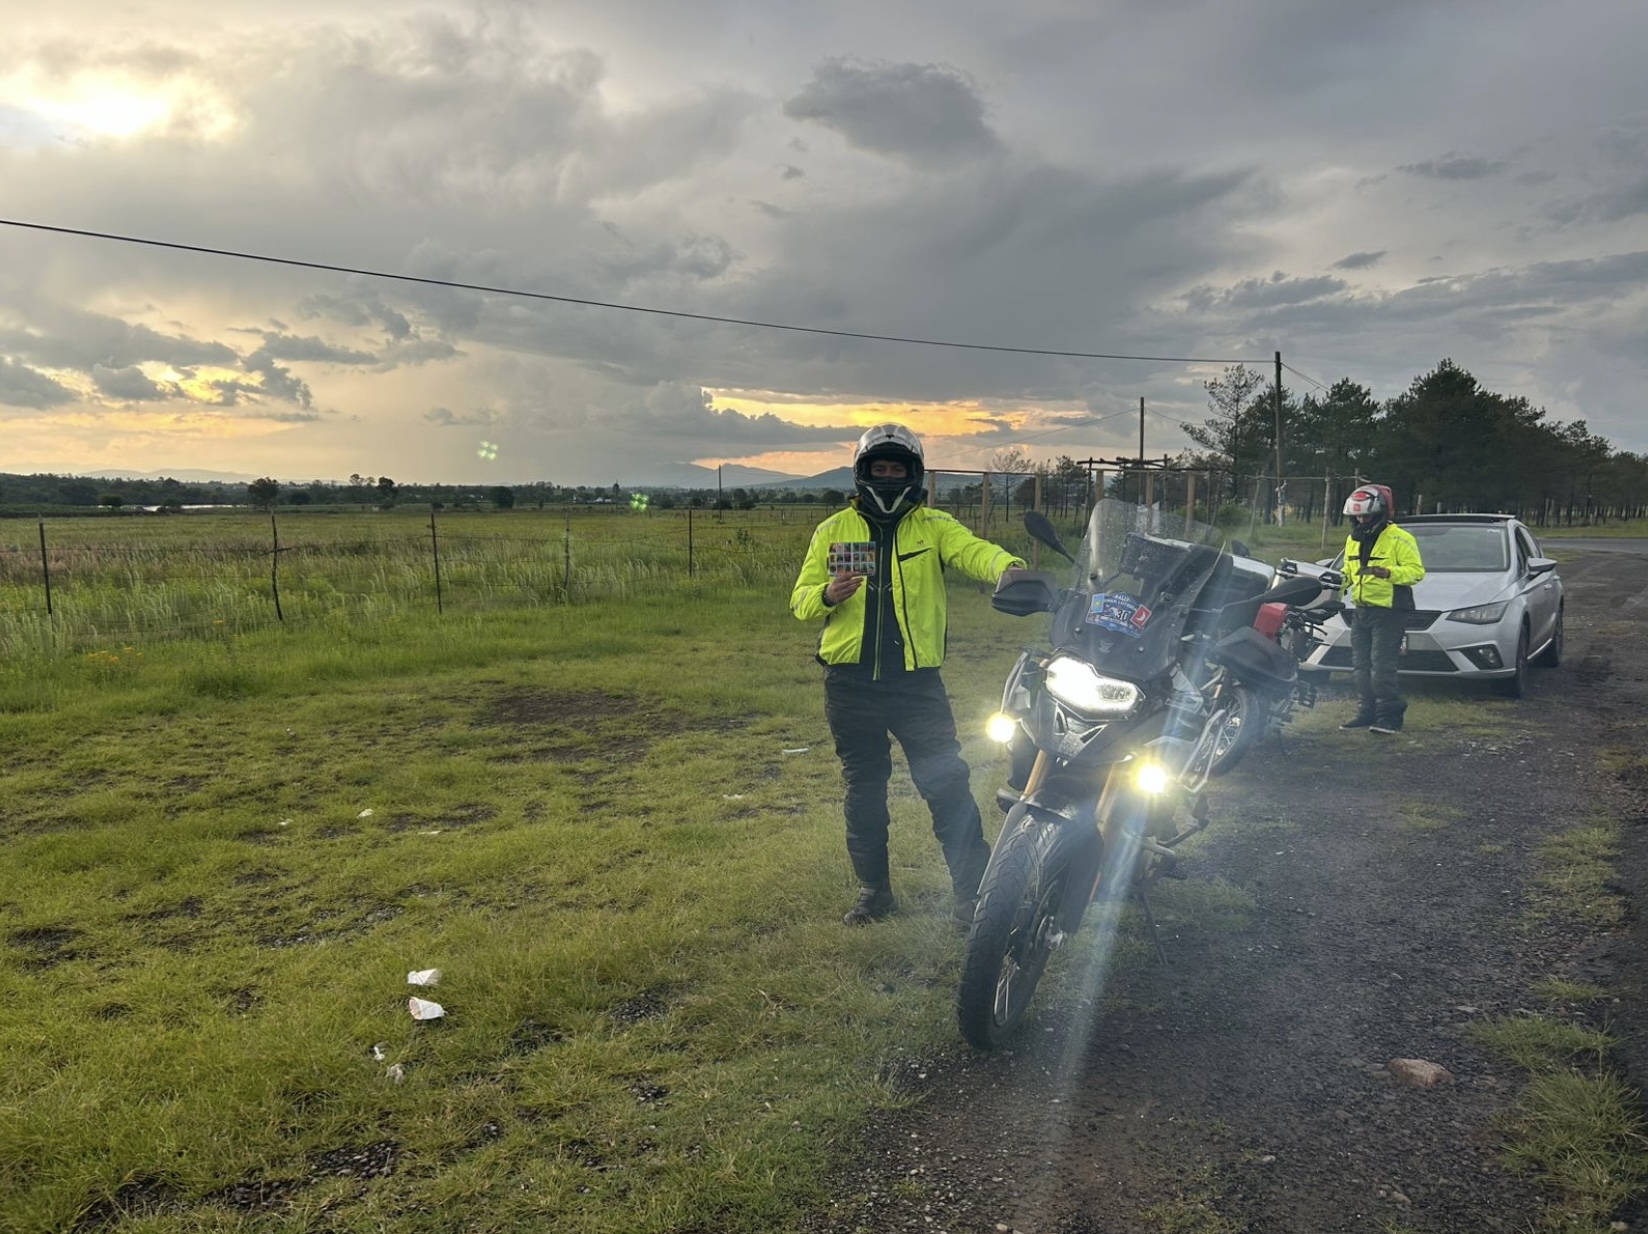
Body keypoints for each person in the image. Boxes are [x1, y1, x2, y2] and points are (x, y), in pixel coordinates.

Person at [790, 424, 1026, 927]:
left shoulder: (934, 526)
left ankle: (972, 895)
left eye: (899, 469)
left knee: (947, 785)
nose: (890, 476)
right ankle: (874, 892)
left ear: (914, 474)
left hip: (916, 686)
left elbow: (973, 550)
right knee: (865, 789)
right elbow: (800, 600)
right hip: (850, 685)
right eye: (881, 468)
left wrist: (1008, 568)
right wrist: (827, 596)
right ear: (863, 472)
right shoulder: (832, 532)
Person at [1338, 484, 1425, 734]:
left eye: (1367, 516)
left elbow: (1416, 572)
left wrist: (1389, 573)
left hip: (1390, 611)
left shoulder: (1400, 538)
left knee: (1382, 668)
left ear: (1380, 514)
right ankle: (1366, 713)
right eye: (1358, 516)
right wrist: (1335, 583)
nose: (1362, 521)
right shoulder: (1353, 541)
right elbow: (1348, 573)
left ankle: (1390, 716)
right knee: (1360, 667)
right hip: (1361, 610)